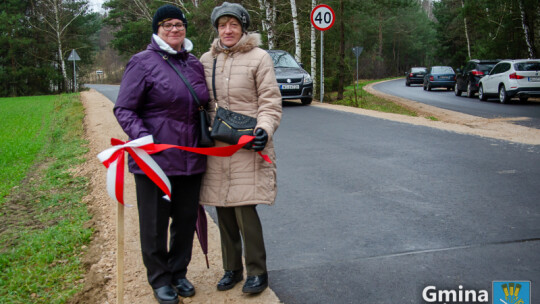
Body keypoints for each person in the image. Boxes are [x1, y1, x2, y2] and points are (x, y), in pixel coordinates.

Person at [113, 5, 209, 304]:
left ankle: (178, 272)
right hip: (154, 159)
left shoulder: (193, 63)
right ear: (157, 29)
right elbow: (124, 108)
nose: (174, 29)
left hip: (191, 157)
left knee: (185, 220)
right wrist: (143, 138)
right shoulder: (141, 62)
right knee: (154, 224)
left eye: (179, 24)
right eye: (167, 24)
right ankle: (159, 278)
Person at [199, 2, 282, 295]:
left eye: (233, 24)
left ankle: (257, 271)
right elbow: (200, 102)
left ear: (243, 27)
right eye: (222, 25)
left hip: (247, 144)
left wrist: (264, 129)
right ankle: (232, 269)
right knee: (222, 207)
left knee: (245, 208)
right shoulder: (206, 60)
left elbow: (270, 102)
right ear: (217, 29)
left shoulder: (260, 58)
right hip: (217, 146)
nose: (228, 30)